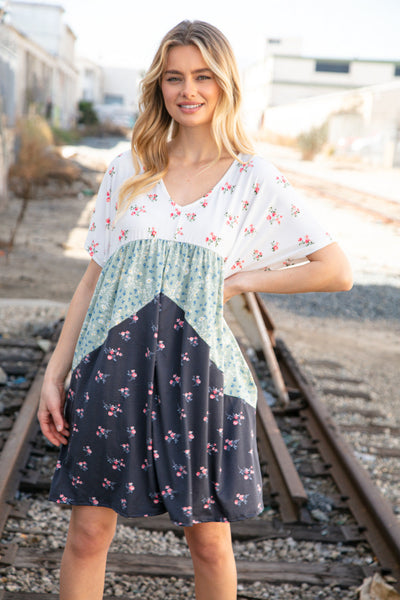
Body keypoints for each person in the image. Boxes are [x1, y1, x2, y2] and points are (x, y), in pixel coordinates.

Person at [38, 20, 352, 600]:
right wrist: (54, 375)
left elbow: (335, 269)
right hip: (110, 369)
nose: (189, 90)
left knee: (209, 544)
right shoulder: (128, 167)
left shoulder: (250, 177)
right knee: (86, 535)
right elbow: (93, 279)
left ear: (224, 84)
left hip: (201, 377)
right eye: (175, 77)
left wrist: (236, 282)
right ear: (159, 85)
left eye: (203, 76)